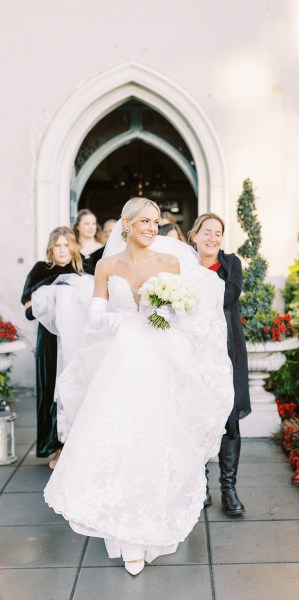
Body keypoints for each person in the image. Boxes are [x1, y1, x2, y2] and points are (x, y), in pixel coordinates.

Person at [44, 197, 233, 576]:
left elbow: (189, 311)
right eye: (144, 221)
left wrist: (169, 309)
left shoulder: (171, 263)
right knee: (122, 442)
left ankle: (153, 526)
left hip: (163, 358)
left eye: (155, 221)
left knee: (160, 442)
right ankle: (126, 537)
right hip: (121, 358)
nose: (151, 227)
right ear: (126, 225)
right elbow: (96, 310)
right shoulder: (107, 264)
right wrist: (112, 322)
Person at [188, 213, 251, 516]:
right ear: (195, 235)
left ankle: (229, 489)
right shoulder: (183, 266)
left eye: (218, 233)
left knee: (230, 419)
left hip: (227, 351)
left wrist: (197, 292)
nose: (212, 238)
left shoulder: (230, 264)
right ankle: (199, 485)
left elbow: (230, 293)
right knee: (195, 417)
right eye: (207, 232)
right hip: (192, 352)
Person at [21, 227, 88, 468]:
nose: (62, 250)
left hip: (77, 340)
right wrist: (51, 296)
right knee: (51, 389)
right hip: (50, 340)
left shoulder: (83, 271)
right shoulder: (41, 270)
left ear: (74, 247)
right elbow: (28, 309)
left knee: (77, 389)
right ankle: (55, 447)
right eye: (57, 245)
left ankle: (75, 444)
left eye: (66, 245)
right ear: (51, 248)